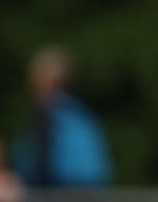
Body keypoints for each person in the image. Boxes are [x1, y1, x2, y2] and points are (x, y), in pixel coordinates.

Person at [12, 47, 112, 187]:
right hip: (89, 191)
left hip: (59, 191)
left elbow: (36, 167)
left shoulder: (47, 116)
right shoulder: (82, 114)